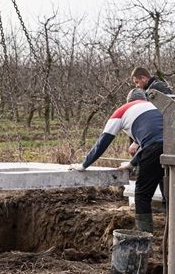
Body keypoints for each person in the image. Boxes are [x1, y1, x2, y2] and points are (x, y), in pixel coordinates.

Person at [71, 88, 166, 233]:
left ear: (128, 101)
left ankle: (144, 236)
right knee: (171, 190)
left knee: (142, 195)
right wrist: (131, 164)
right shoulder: (155, 106)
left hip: (154, 148)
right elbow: (154, 137)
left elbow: (103, 141)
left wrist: (84, 164)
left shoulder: (121, 112)